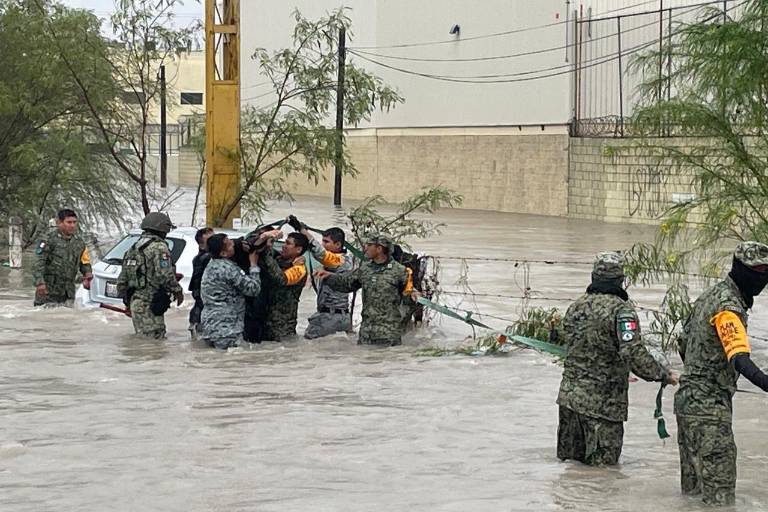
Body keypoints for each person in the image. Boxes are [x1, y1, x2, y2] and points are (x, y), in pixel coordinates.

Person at [556, 251, 678, 466]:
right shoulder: (622, 312)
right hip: (603, 408)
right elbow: (632, 352)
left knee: (570, 470)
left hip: (569, 402)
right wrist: (663, 374)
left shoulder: (576, 306)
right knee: (602, 478)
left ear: (594, 277)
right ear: (621, 281)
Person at [675, 241, 768, 506]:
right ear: (742, 270)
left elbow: (684, 345)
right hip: (709, 414)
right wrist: (764, 381)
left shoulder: (709, 296)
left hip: (686, 405)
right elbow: (739, 357)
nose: (762, 278)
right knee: (720, 501)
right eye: (758, 271)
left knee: (691, 497)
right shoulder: (729, 307)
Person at [316, 234, 418, 346]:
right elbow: (346, 284)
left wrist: (414, 295)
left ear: (379, 249)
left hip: (388, 334)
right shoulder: (365, 269)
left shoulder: (400, 271)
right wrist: (329, 276)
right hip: (366, 333)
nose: (365, 248)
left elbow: (409, 295)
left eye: (369, 245)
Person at [116, 212, 183, 339]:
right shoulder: (159, 247)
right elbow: (165, 274)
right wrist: (177, 291)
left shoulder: (133, 248)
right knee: (155, 341)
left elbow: (123, 278)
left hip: (136, 303)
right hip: (150, 303)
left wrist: (127, 301)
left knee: (143, 342)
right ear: (163, 229)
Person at [290, 216, 352, 339]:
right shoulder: (345, 260)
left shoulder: (341, 260)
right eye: (322, 241)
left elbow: (321, 253)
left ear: (338, 244)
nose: (323, 245)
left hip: (330, 317)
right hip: (341, 317)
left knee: (308, 343)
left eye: (326, 242)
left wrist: (301, 230)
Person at [199, 233, 263, 349]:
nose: (233, 245)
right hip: (227, 329)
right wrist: (253, 265)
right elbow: (253, 289)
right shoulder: (228, 269)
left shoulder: (212, 264)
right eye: (229, 245)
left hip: (209, 327)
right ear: (222, 253)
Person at [32, 208, 92, 306]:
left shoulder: (79, 242)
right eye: (69, 222)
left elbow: (84, 261)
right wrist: (40, 283)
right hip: (48, 291)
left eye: (74, 222)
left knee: (66, 318)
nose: (72, 225)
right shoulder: (48, 239)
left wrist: (88, 273)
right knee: (43, 319)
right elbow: (38, 262)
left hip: (68, 292)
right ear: (59, 222)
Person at [259, 231, 308, 341]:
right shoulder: (279, 260)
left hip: (282, 327)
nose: (284, 246)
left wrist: (267, 252)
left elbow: (281, 279)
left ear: (299, 249)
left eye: (288, 243)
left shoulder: (299, 269)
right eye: (284, 243)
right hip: (265, 321)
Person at [188, 227, 213, 338]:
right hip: (203, 308)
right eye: (211, 240)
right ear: (201, 245)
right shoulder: (206, 259)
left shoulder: (200, 258)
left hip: (200, 308)